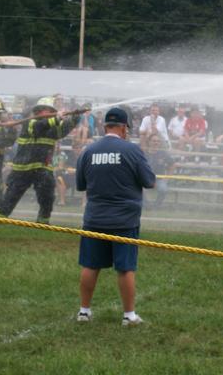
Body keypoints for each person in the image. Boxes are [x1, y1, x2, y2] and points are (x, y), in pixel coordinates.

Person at [75, 107, 155, 326]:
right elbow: (150, 182)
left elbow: (80, 186)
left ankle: (83, 312)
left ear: (105, 126)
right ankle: (129, 316)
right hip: (124, 220)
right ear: (123, 127)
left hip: (94, 218)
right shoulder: (132, 150)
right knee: (125, 268)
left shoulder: (88, 151)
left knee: (91, 266)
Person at [0, 97, 80, 224]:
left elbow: (63, 129)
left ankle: (43, 220)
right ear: (38, 111)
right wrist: (56, 118)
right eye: (45, 110)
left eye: (50, 110)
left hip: (42, 167)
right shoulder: (31, 122)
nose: (47, 112)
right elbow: (39, 127)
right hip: (22, 168)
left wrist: (75, 118)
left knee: (48, 195)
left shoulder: (53, 126)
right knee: (11, 196)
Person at [145, 133, 175, 209]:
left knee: (163, 189)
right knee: (137, 188)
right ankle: (147, 205)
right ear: (149, 142)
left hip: (159, 180)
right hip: (145, 179)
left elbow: (172, 165)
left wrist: (167, 178)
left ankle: (156, 206)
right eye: (154, 141)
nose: (156, 143)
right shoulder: (143, 154)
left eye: (158, 141)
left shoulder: (164, 154)